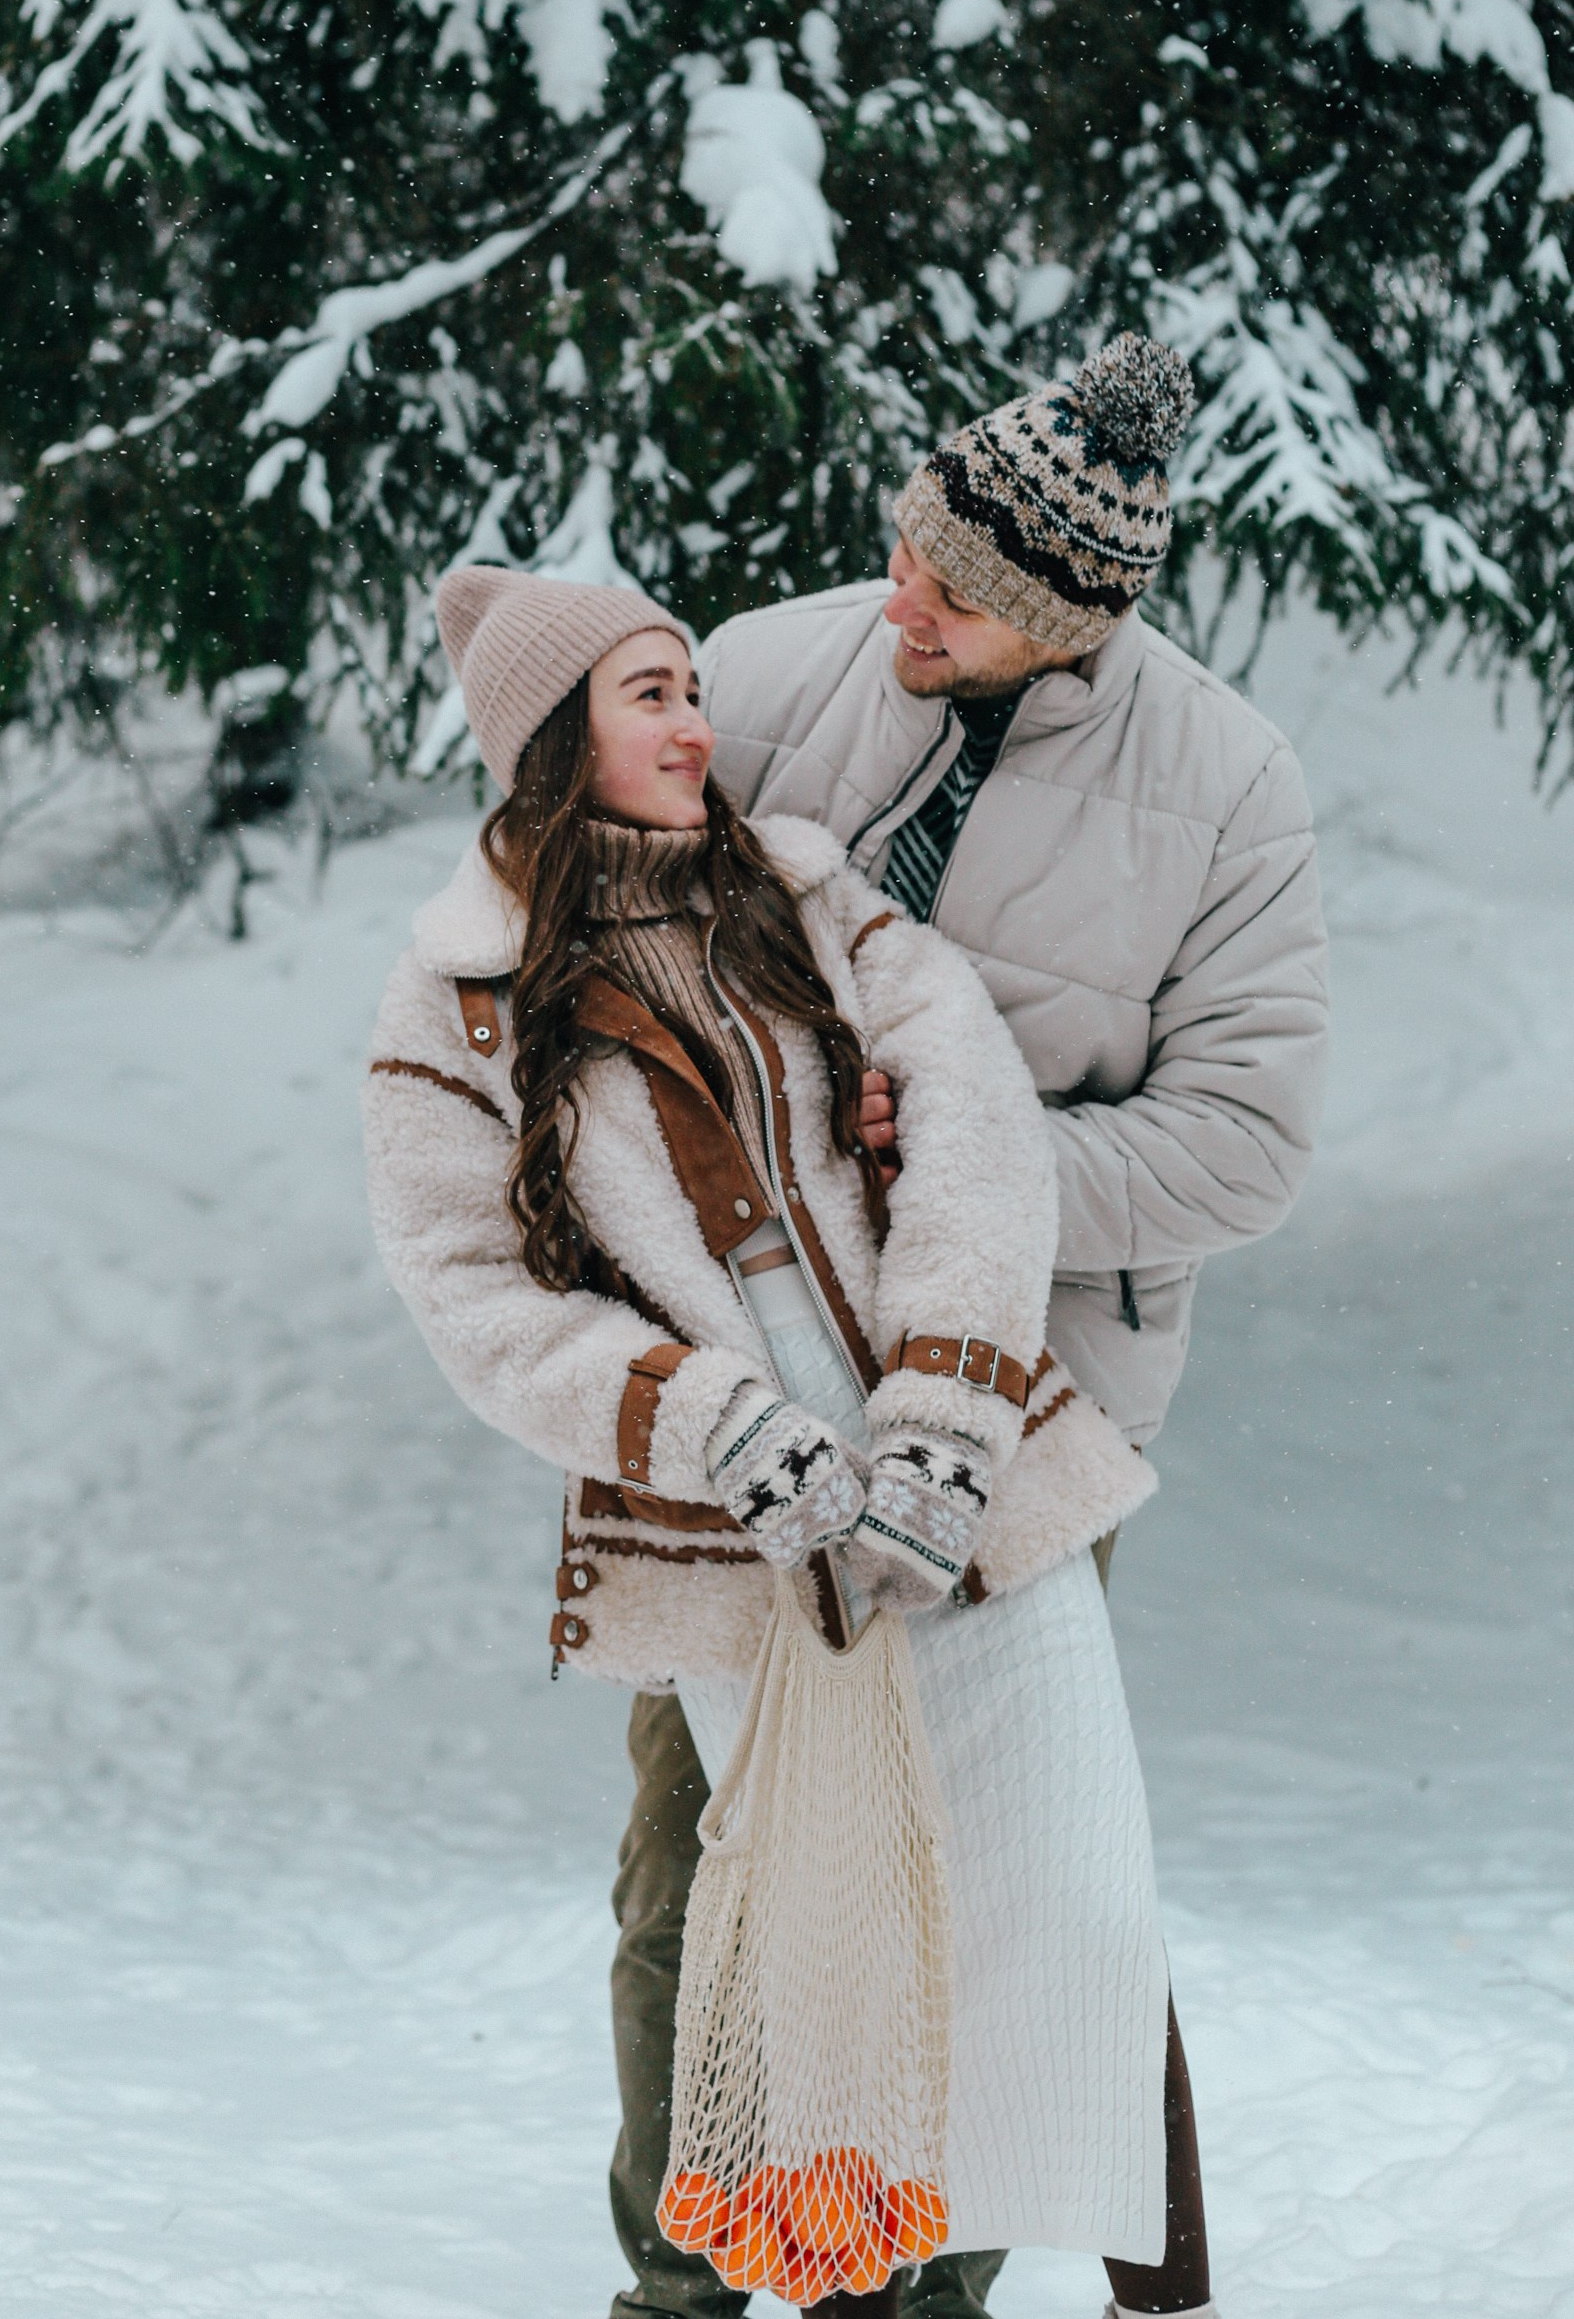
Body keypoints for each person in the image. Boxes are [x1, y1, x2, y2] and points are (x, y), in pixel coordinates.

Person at [365, 561, 1224, 2319]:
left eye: (692, 684)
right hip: (728, 1517)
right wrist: (711, 1424)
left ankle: (933, 2296)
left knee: (1041, 1893)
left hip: (957, 1458)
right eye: (650, 693)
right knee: (765, 1928)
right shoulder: (456, 1003)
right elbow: (474, 1296)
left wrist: (939, 1418)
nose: (696, 723)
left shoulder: (810, 896)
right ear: (553, 742)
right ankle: (707, 2294)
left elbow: (977, 1128)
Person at [656, 332, 1329, 2319]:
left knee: (999, 1871)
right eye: (902, 548)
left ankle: (931, 2296)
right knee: (698, 1853)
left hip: (1026, 1402)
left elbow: (1245, 1147)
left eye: (949, 587)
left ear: (1067, 616)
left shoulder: (1222, 788)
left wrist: (975, 1148)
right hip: (750, 1377)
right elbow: (599, 942)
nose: (898, 603)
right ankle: (676, 2289)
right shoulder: (776, 675)